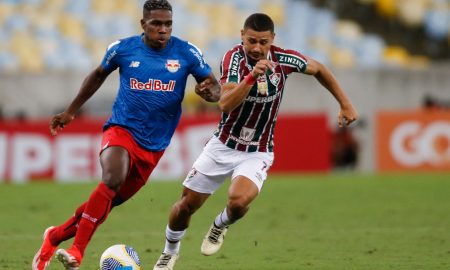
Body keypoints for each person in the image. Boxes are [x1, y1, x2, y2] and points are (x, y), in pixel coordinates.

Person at [152, 13, 358, 270]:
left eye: (263, 42)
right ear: (242, 36)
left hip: (257, 151)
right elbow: (225, 104)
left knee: (238, 202)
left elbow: (320, 69)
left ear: (273, 39)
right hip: (223, 145)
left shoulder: (284, 59)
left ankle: (220, 225)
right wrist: (251, 78)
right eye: (252, 41)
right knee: (186, 205)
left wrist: (345, 104)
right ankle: (170, 252)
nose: (257, 48)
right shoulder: (233, 59)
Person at [31, 1, 220, 269]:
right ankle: (77, 251)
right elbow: (97, 75)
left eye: (168, 24)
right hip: (122, 129)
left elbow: (215, 88)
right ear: (143, 24)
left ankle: (55, 236)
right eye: (156, 23)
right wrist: (71, 111)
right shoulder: (123, 48)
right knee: (112, 179)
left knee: (106, 203)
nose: (163, 29)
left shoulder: (187, 53)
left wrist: (209, 93)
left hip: (154, 145)